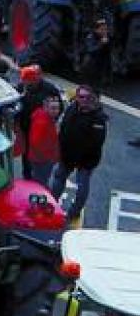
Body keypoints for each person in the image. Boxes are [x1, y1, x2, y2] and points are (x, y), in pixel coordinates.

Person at [54, 86, 109, 221]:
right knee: (58, 178)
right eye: (80, 96)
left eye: (87, 97)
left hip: (85, 161)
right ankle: (52, 201)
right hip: (67, 155)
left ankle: (75, 211)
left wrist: (77, 157)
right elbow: (64, 127)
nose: (83, 100)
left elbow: (95, 143)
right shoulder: (73, 108)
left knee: (82, 185)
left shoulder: (98, 119)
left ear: (94, 99)